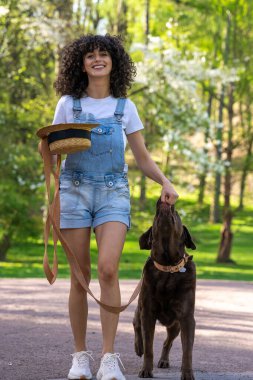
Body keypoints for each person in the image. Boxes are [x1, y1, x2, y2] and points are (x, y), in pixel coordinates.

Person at [48, 34, 178, 380]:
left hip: (113, 193)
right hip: (73, 191)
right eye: (90, 55)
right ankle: (79, 358)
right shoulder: (68, 104)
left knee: (107, 269)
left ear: (114, 62)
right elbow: (53, 154)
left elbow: (143, 158)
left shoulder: (125, 107)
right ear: (82, 63)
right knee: (80, 278)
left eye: (103, 54)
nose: (97, 59)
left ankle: (108, 358)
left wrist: (165, 182)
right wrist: (50, 163)